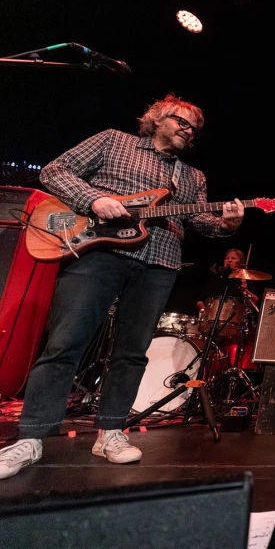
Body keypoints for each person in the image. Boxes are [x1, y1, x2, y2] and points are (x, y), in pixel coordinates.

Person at [0, 94, 245, 480]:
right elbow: (55, 170)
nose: (189, 131)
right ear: (157, 118)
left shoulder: (192, 176)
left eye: (195, 128)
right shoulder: (114, 140)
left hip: (160, 263)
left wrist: (228, 224)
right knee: (65, 343)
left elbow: (202, 222)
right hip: (97, 253)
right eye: (182, 121)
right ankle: (30, 439)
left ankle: (111, 431)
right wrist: (95, 199)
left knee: (132, 353)